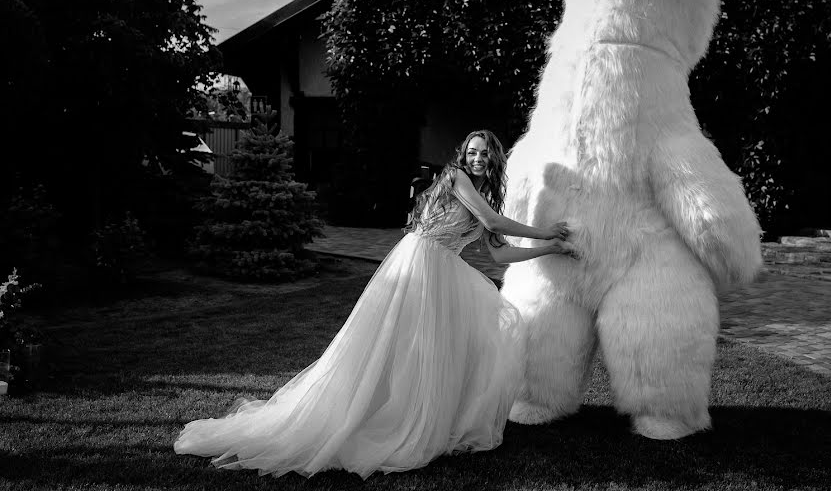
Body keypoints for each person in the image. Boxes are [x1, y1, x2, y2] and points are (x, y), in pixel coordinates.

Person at [174, 130, 577, 479]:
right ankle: (378, 417)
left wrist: (551, 247)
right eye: (471, 151)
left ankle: (418, 417)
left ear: (494, 159)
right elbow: (492, 224)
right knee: (398, 346)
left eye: (483, 153)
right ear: (462, 155)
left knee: (434, 350)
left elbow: (501, 256)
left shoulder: (485, 195)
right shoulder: (455, 177)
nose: (476, 157)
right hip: (420, 264)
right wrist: (545, 230)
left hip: (445, 270)